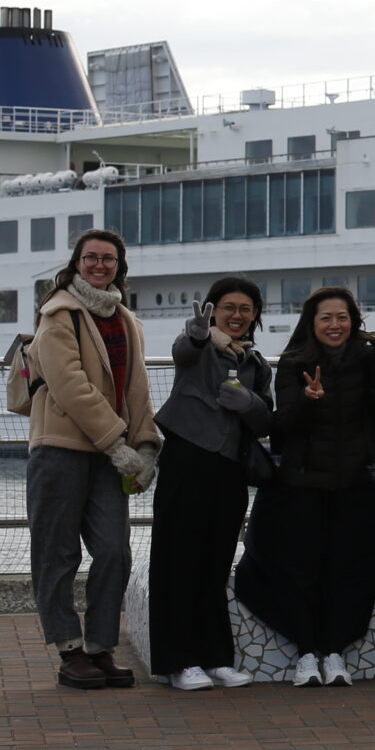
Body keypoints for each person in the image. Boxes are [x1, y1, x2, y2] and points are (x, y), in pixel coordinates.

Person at [24, 229, 159, 691]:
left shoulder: (127, 321)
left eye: (108, 259)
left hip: (111, 454)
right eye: (91, 257)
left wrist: (145, 444)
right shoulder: (58, 314)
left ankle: (101, 646)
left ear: (120, 266)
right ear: (76, 263)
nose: (99, 265)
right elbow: (70, 386)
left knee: (114, 551)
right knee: (57, 552)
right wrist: (116, 442)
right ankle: (69, 649)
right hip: (60, 448)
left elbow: (137, 389)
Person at [237, 286, 375, 686]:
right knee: (298, 571)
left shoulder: (369, 358)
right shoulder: (293, 362)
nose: (335, 325)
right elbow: (281, 428)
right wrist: (308, 399)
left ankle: (334, 651)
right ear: (312, 323)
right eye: (326, 318)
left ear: (353, 320)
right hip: (301, 485)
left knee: (349, 570)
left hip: (353, 484)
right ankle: (305, 652)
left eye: (342, 317)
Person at [147, 276, 274, 690]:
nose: (237, 315)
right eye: (229, 308)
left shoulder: (256, 363)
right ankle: (177, 662)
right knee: (177, 560)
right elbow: (182, 352)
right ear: (213, 311)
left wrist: (251, 403)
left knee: (215, 563)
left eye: (246, 309)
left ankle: (215, 657)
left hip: (230, 469)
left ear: (255, 315)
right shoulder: (198, 347)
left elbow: (266, 419)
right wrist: (196, 335)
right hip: (188, 461)